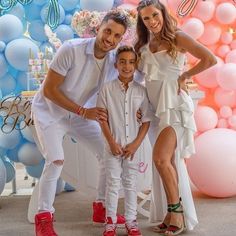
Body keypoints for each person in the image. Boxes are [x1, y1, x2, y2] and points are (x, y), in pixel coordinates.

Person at [32, 10, 129, 236]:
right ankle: (43, 218)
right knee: (56, 161)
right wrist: (83, 111)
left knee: (108, 153)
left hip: (78, 115)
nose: (110, 39)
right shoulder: (71, 49)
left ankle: (102, 208)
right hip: (50, 111)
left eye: (117, 36)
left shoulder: (112, 60)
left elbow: (131, 78)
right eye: (108, 31)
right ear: (98, 28)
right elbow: (49, 90)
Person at [134, 0, 217, 235]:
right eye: (146, 18)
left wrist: (185, 76)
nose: (152, 21)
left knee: (161, 159)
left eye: (154, 15)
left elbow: (210, 58)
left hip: (174, 107)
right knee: (166, 163)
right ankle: (171, 213)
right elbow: (141, 77)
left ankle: (177, 212)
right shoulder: (143, 43)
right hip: (154, 109)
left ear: (163, 13)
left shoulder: (178, 37)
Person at [97, 46, 152, 236]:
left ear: (136, 65)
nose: (127, 66)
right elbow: (102, 119)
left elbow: (146, 121)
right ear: (116, 64)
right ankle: (110, 222)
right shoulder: (106, 89)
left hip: (132, 147)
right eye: (122, 61)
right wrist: (111, 142)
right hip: (112, 145)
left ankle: (131, 221)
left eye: (131, 62)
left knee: (130, 183)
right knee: (112, 184)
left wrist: (136, 144)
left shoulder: (141, 91)